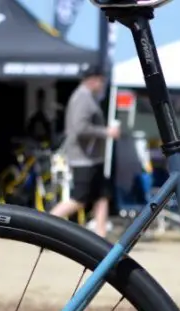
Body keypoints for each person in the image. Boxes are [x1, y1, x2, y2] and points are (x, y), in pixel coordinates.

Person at [49, 66, 120, 238]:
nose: (103, 84)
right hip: (83, 158)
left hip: (93, 158)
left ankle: (101, 237)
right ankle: (44, 225)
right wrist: (106, 132)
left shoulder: (88, 97)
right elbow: (80, 128)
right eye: (101, 80)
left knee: (102, 196)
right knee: (79, 199)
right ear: (93, 79)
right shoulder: (82, 98)